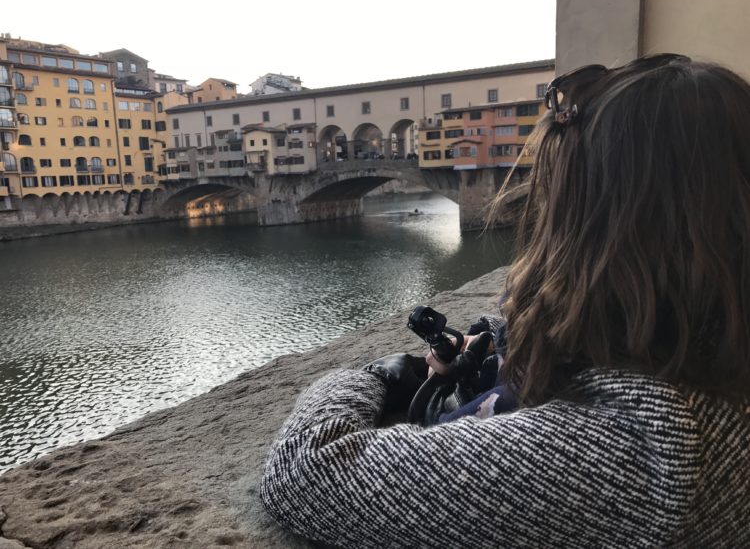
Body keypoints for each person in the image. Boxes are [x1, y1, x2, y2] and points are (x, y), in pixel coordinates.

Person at [260, 55, 750, 547]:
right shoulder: (705, 367)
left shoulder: (648, 449)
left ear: (597, 235)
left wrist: (370, 376)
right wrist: (501, 340)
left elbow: (308, 468)